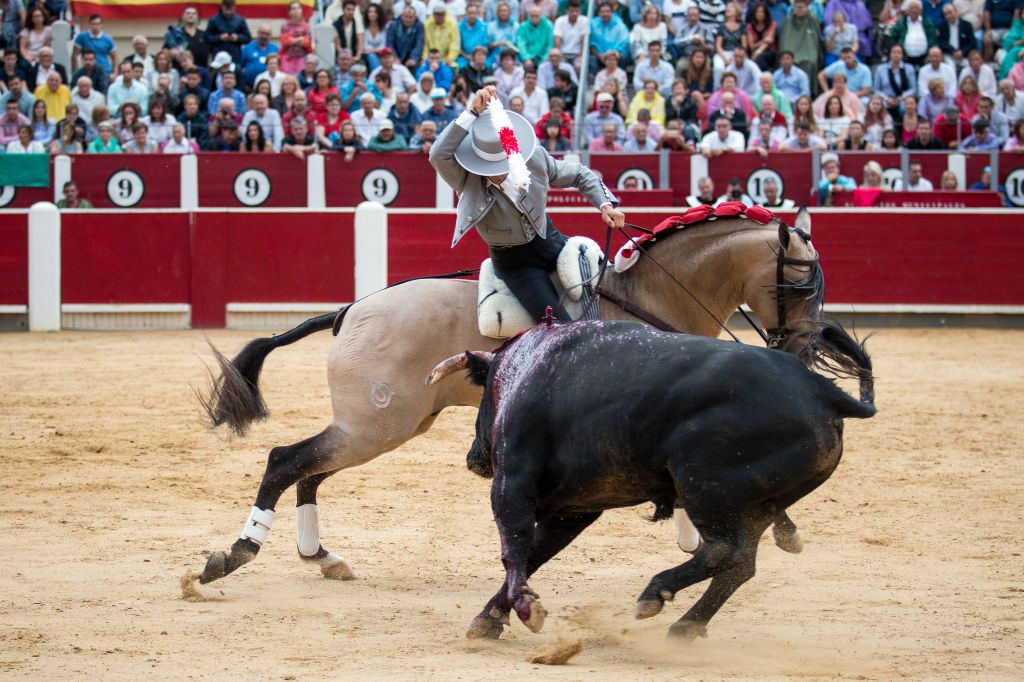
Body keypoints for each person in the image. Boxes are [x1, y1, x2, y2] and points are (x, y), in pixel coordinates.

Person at [429, 84, 623, 322]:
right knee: (559, 327)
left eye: (502, 166)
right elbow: (437, 154)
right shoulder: (466, 178)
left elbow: (579, 174)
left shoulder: (533, 158)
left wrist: (606, 205)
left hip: (552, 242)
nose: (497, 173)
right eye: (489, 168)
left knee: (609, 286)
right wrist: (470, 113)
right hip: (517, 265)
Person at [778, 0, 822, 85]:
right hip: (791, 49)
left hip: (808, 51)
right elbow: (784, 41)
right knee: (786, 60)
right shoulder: (788, 20)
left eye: (801, 7)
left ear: (806, 7)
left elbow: (815, 40)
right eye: (797, 7)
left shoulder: (813, 19)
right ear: (794, 7)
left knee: (810, 62)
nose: (799, 10)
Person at [205, 0, 252, 65]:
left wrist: (238, 38)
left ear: (234, 8)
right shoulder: (213, 20)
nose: (228, 13)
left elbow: (248, 38)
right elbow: (206, 38)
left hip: (234, 56)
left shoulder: (240, 20)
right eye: (226, 10)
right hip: (218, 56)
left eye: (230, 10)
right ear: (222, 7)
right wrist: (219, 38)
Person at [241, 23, 279, 88]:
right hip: (249, 87)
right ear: (258, 33)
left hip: (269, 88)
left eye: (267, 34)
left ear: (270, 36)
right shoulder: (247, 48)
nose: (264, 36)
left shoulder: (275, 49)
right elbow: (241, 66)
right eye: (262, 33)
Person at [388, 6, 425, 71]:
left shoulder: (419, 25)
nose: (408, 19)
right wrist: (395, 57)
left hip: (412, 56)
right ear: (402, 16)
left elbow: (419, 43)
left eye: (411, 17)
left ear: (415, 17)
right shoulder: (393, 25)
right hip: (397, 55)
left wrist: (413, 58)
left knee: (415, 66)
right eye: (406, 17)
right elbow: (390, 43)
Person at [746, 2, 778, 71]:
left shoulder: (772, 24)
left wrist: (758, 52)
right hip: (753, 53)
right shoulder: (750, 27)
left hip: (770, 52)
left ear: (766, 13)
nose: (760, 14)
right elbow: (752, 46)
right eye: (758, 12)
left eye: (762, 12)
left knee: (760, 57)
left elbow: (769, 42)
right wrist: (764, 40)